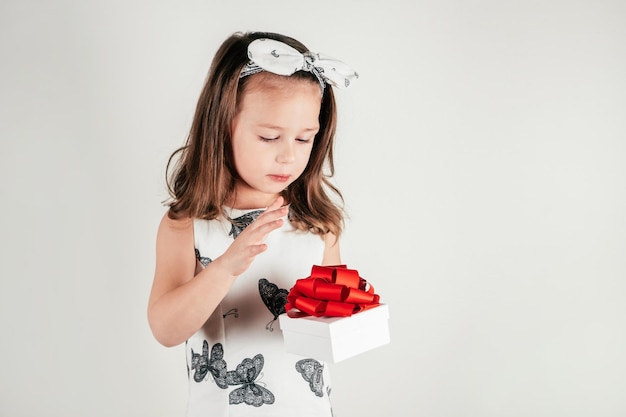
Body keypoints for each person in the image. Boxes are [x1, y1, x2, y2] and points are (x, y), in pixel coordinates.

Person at [147, 31, 358, 416]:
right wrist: (226, 266)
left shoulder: (318, 225)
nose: (288, 157)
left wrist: (351, 312)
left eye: (303, 139)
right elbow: (166, 329)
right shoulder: (188, 223)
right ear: (223, 125)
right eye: (269, 137)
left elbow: (332, 332)